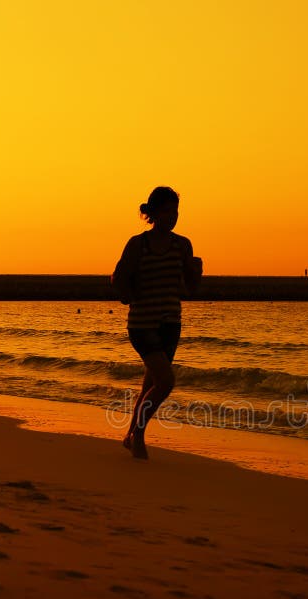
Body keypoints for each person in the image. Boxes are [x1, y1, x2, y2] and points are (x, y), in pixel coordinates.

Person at [113, 187, 202, 459]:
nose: (172, 217)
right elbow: (118, 278)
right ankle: (138, 435)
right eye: (166, 211)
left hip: (170, 323)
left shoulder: (183, 245)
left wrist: (196, 271)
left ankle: (129, 436)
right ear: (153, 213)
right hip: (142, 324)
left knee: (150, 384)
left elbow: (188, 289)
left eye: (175, 211)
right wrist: (127, 296)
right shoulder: (138, 244)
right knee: (165, 381)